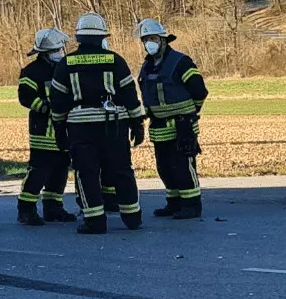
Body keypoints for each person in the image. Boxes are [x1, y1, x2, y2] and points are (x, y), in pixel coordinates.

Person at [48, 13, 145, 234]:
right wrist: (137, 123)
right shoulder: (115, 60)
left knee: (86, 172)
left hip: (81, 128)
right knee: (122, 170)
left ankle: (94, 221)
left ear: (79, 38)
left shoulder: (66, 63)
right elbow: (129, 94)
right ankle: (132, 217)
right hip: (114, 125)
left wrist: (59, 128)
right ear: (102, 37)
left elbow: (58, 101)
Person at [135, 18, 210, 218]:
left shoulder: (180, 62)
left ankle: (191, 204)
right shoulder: (147, 66)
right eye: (145, 40)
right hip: (159, 127)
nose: (148, 43)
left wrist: (191, 114)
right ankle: (174, 202)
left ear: (163, 39)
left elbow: (199, 91)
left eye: (152, 38)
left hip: (181, 125)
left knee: (182, 167)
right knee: (165, 168)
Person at [15, 28, 77, 226]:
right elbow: (25, 97)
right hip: (42, 130)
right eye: (57, 49)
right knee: (39, 170)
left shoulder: (64, 68)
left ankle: (53, 207)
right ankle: (26, 208)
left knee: (60, 169)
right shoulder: (32, 72)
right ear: (45, 52)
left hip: (63, 128)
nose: (60, 52)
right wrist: (46, 107)